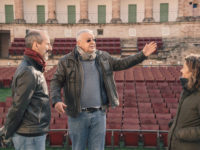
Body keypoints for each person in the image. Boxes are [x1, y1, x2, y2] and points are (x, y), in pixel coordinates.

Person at [50, 29, 157, 150]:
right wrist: (56, 100)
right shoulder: (66, 61)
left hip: (99, 114)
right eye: (88, 40)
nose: (93, 42)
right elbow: (56, 81)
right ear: (78, 43)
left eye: (94, 39)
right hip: (77, 115)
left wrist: (142, 55)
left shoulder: (103, 57)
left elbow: (122, 63)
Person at [0, 29, 52, 150]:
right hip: (30, 136)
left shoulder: (33, 67)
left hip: (32, 133)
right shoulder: (29, 71)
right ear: (35, 45)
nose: (50, 48)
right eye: (47, 44)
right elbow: (18, 106)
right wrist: (6, 132)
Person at [168, 54, 200, 150]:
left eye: (184, 67)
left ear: (193, 72)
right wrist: (174, 123)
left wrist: (181, 133)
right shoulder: (187, 91)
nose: (181, 70)